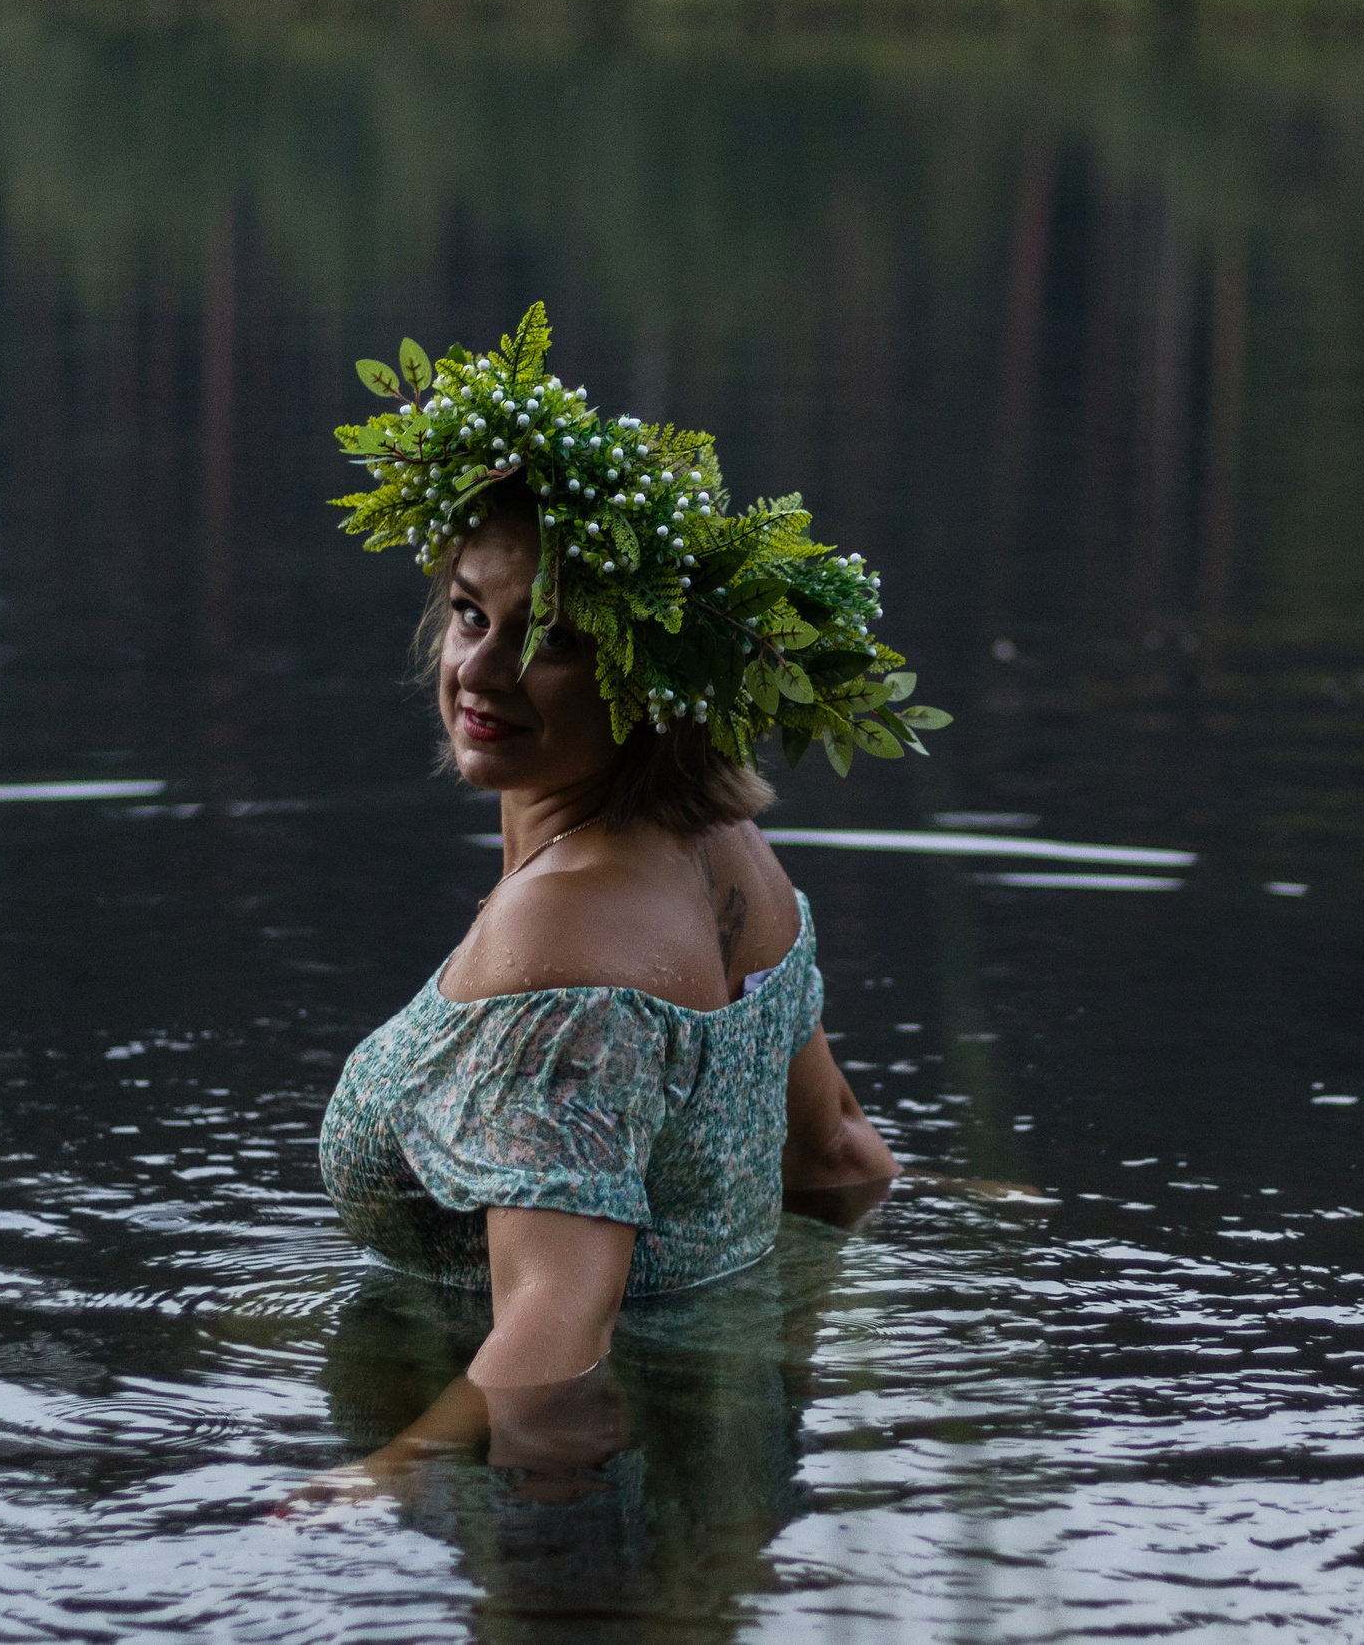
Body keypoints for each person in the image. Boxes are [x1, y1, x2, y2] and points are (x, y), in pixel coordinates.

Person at [315, 304, 946, 1422]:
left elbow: (558, 1326)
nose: (484, 671)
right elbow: (841, 1158)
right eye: (471, 613)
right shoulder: (730, 855)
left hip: (573, 1503)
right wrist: (781, 1369)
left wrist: (373, 1487)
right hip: (721, 1459)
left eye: (553, 640)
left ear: (651, 681)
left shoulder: (561, 934)